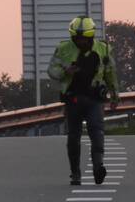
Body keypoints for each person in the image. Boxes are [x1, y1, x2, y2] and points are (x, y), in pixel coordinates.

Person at [47, 17, 120, 185]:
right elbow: (51, 70)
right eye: (77, 38)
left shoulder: (103, 49)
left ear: (91, 36)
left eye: (84, 39)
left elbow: (110, 73)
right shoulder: (63, 49)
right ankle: (75, 173)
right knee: (73, 137)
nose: (81, 42)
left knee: (97, 131)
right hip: (73, 98)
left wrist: (115, 95)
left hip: (94, 98)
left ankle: (98, 167)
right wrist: (66, 71)